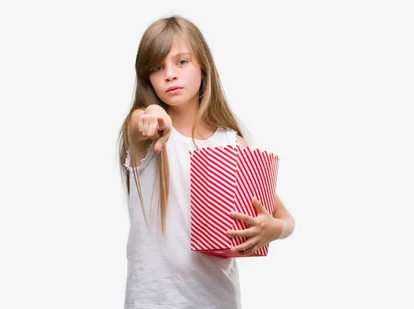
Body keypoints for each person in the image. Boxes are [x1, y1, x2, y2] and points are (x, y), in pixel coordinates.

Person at [117, 15, 295, 309]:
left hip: (217, 300)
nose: (170, 74)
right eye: (157, 67)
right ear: (147, 78)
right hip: (153, 301)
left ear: (203, 66)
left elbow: (285, 217)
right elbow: (142, 121)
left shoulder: (230, 143)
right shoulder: (145, 133)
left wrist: (274, 230)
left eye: (182, 62)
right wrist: (152, 114)